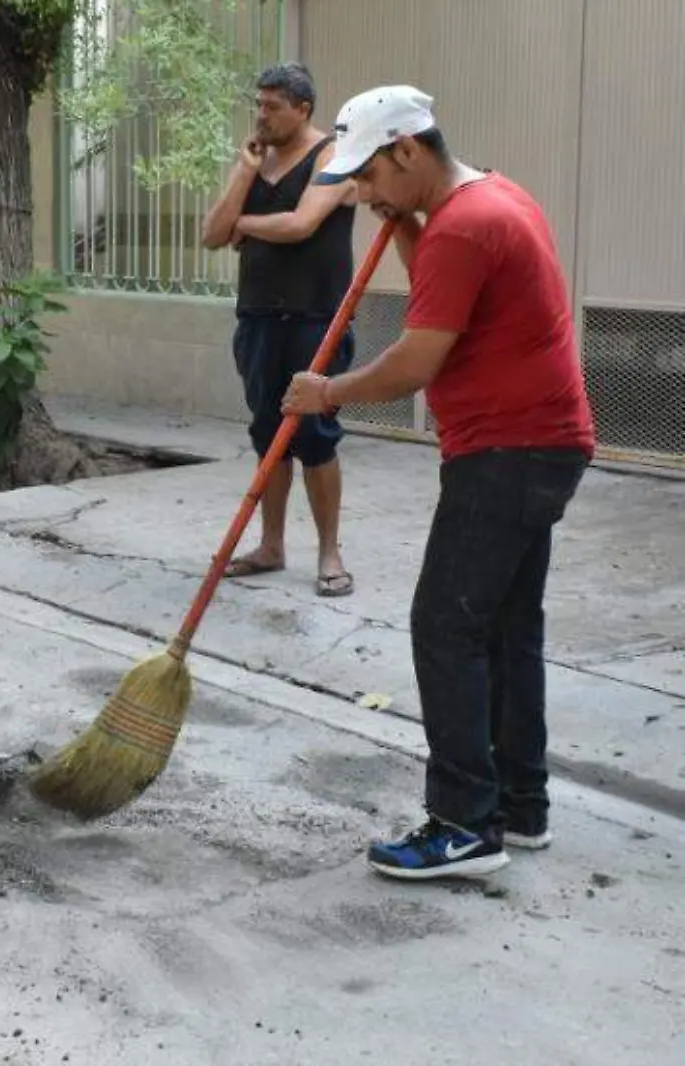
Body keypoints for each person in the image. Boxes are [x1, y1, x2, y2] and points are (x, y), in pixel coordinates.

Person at [283, 85, 595, 880]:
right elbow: (451, 293)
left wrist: (328, 392)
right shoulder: (490, 197)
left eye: (374, 178)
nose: (368, 195)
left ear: (409, 151)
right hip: (543, 442)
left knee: (446, 626)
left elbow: (417, 362)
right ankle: (521, 809)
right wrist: (405, 222)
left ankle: (462, 825)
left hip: (507, 451)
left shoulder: (465, 226)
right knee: (504, 628)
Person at [203, 62, 359, 597]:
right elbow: (210, 234)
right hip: (259, 320)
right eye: (259, 104)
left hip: (317, 319)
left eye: (273, 106)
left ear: (304, 109)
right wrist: (244, 175)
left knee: (314, 435)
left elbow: (300, 224)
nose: (261, 114)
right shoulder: (255, 160)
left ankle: (330, 553)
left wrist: (242, 225)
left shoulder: (334, 158)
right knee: (268, 433)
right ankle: (271, 546)